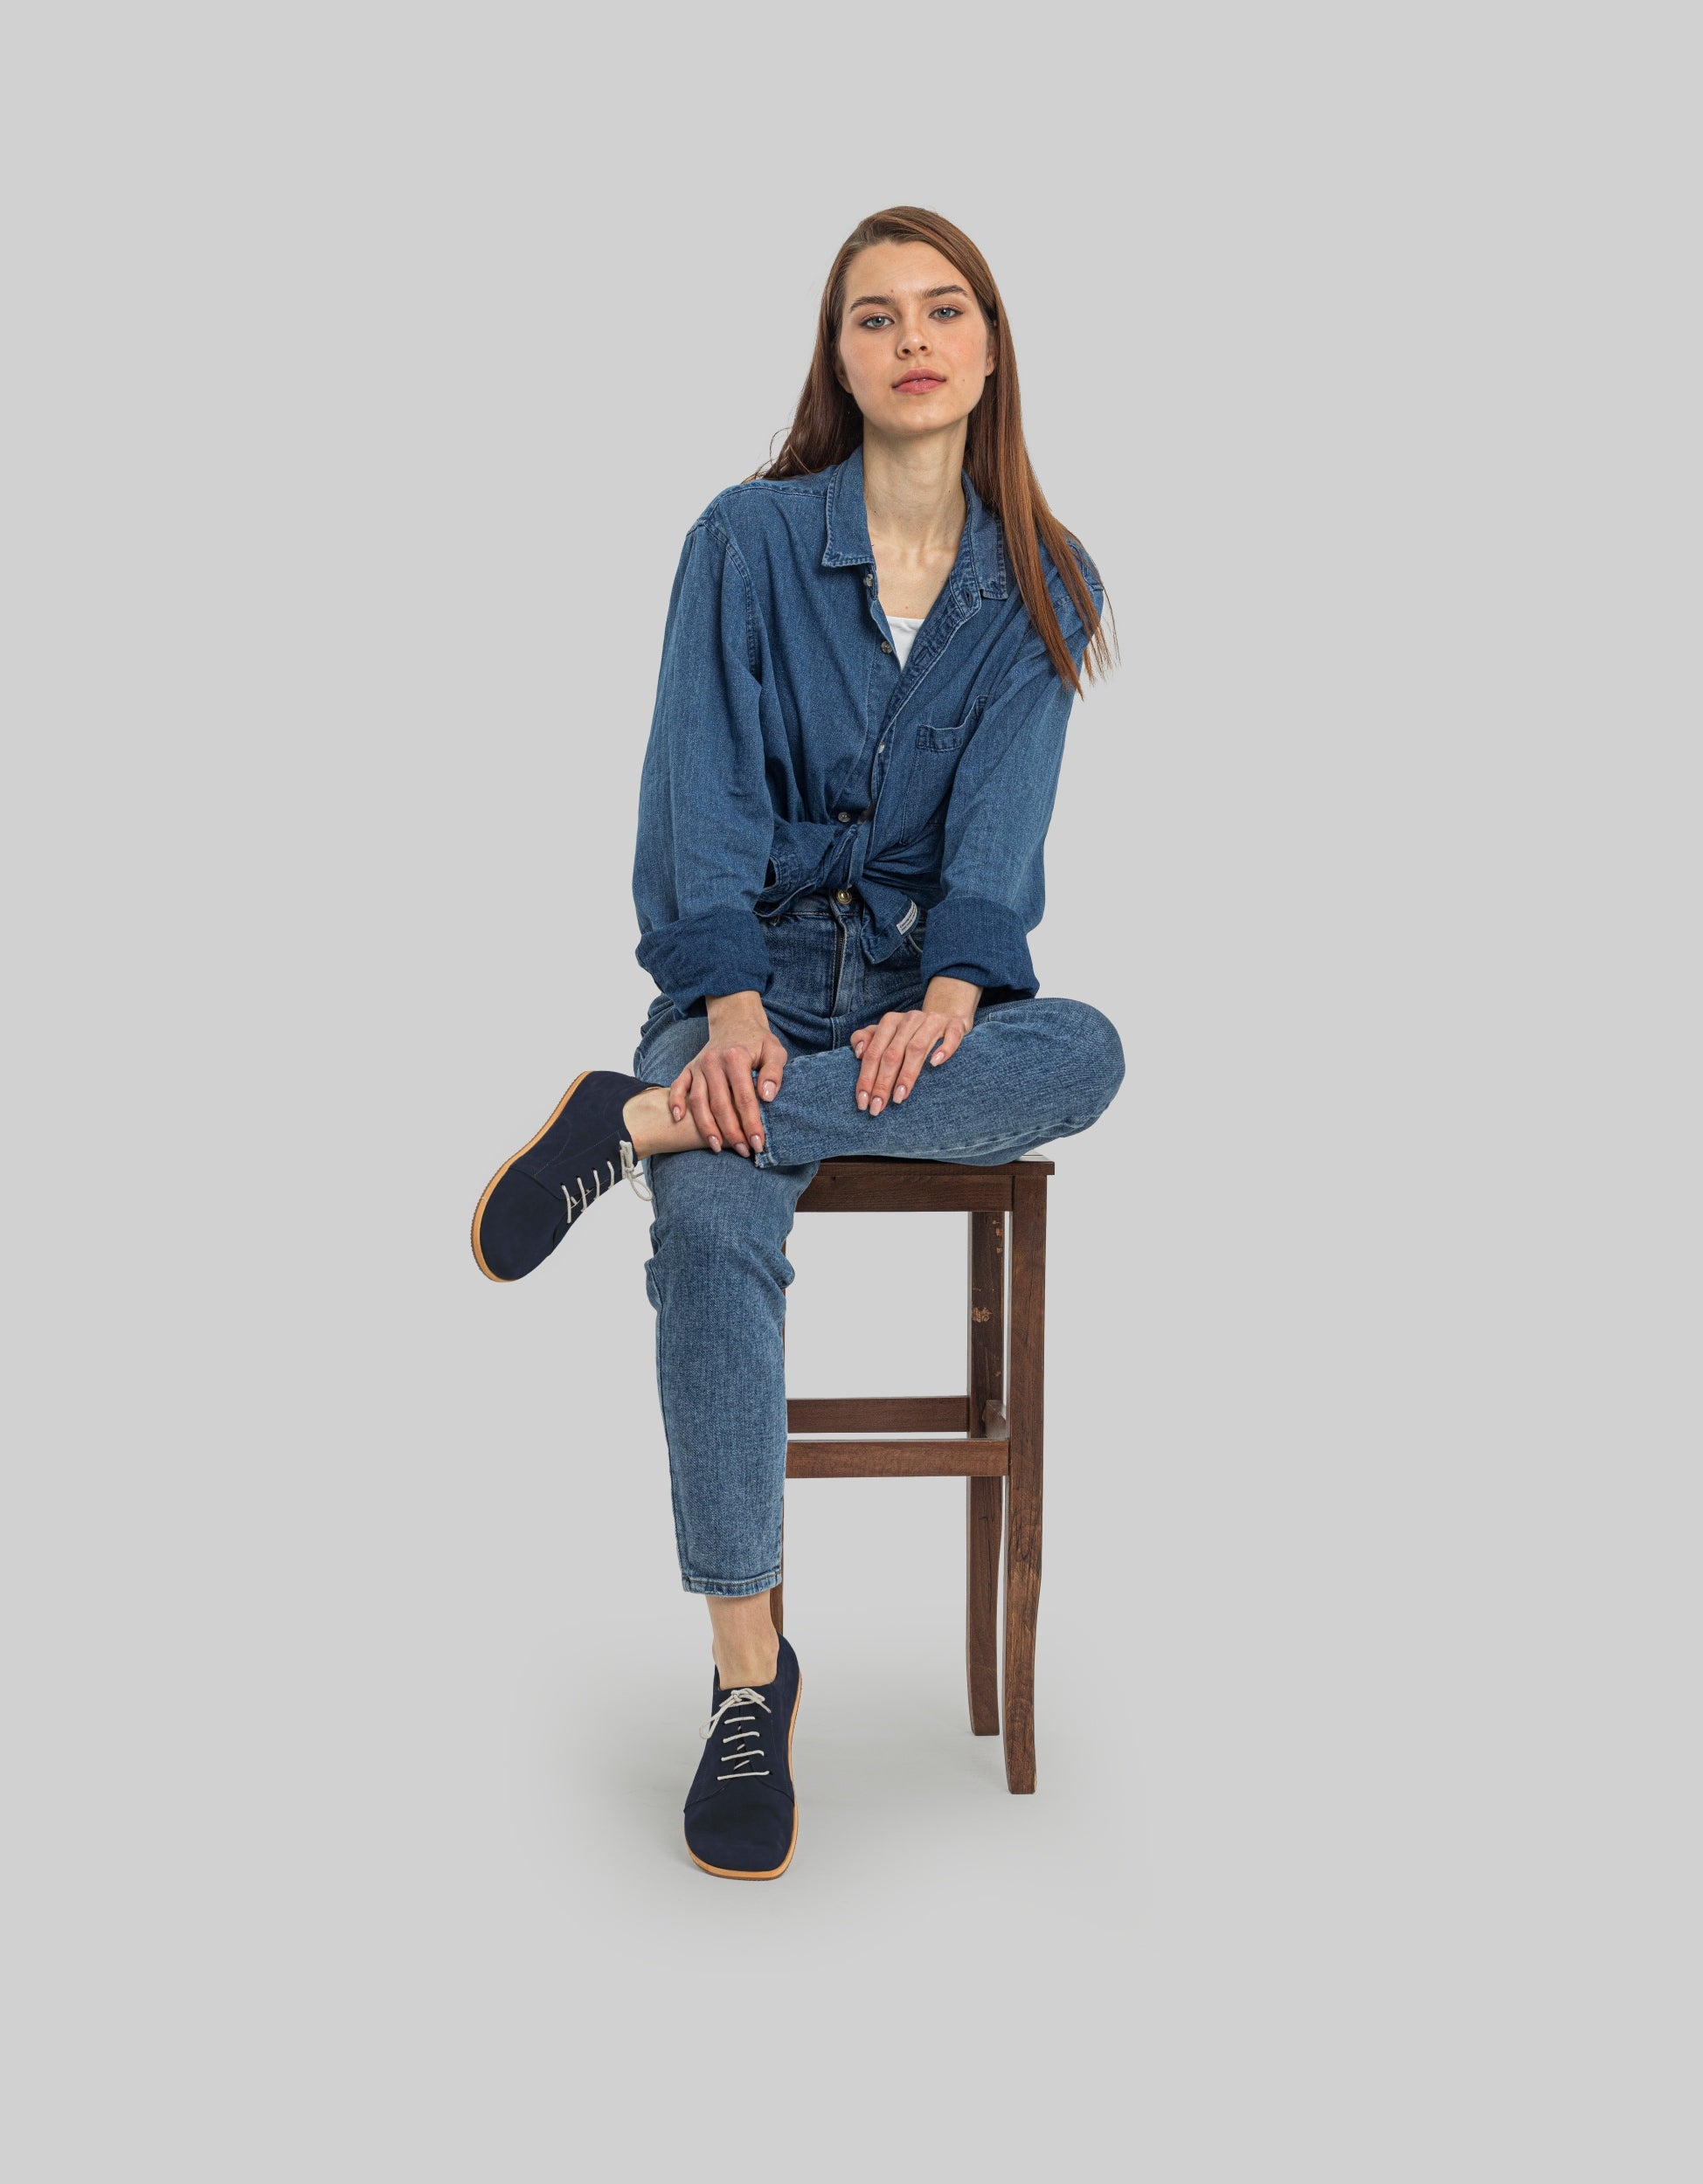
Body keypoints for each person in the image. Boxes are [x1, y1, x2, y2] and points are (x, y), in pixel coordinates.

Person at [470, 206, 1125, 1880]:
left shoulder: (1045, 578)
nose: (913, 340)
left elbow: (1002, 838)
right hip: (746, 979)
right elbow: (693, 787)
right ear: (837, 356)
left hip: (922, 1002)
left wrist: (956, 994)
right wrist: (734, 1010)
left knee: (1088, 1053)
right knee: (709, 1225)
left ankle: (639, 1124)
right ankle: (750, 1679)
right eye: (874, 316)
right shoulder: (745, 541)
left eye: (945, 310)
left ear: (991, 348)